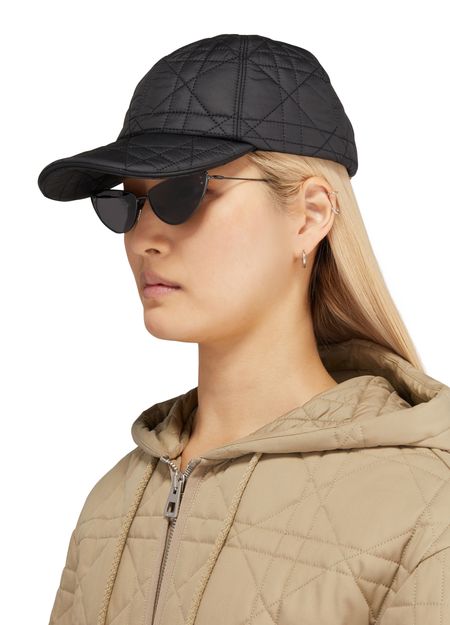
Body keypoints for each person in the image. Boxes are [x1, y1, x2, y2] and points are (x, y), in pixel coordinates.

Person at [37, 34, 450, 625]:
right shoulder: (110, 506)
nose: (144, 238)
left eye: (185, 193)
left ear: (310, 215)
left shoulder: (426, 506)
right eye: (129, 202)